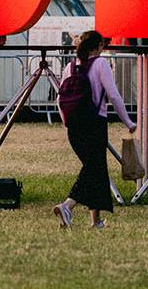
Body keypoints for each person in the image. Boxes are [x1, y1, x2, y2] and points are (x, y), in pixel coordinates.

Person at [51, 31, 135, 229]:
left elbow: (58, 98)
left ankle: (95, 221)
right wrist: (128, 122)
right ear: (98, 46)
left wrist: (66, 122)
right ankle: (67, 206)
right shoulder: (101, 64)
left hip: (73, 126)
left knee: (95, 169)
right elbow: (113, 96)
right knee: (93, 168)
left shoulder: (70, 67)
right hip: (94, 124)